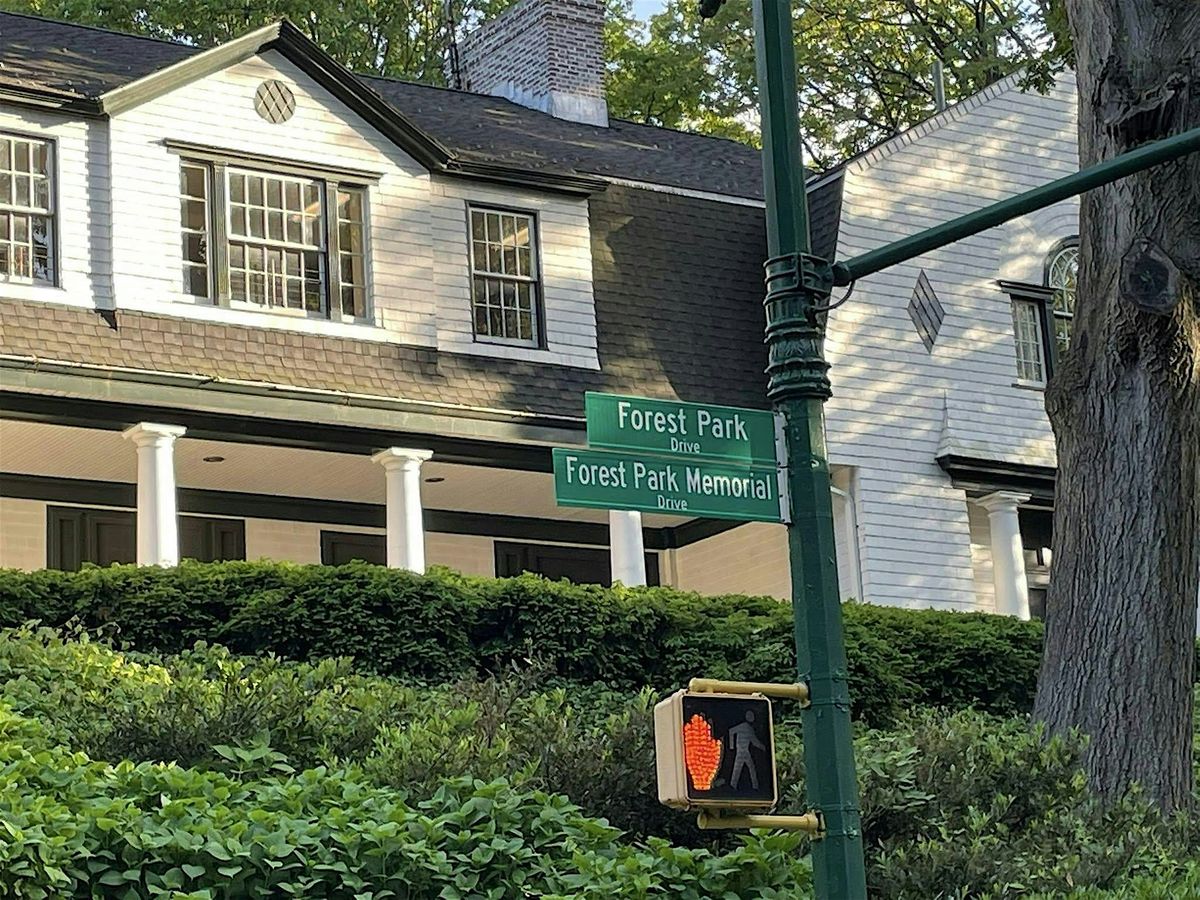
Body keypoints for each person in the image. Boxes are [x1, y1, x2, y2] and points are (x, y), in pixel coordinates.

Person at [727, 709, 765, 791]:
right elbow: (731, 731)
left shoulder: (749, 728)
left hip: (745, 751)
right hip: (741, 751)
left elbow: (754, 742)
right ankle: (735, 786)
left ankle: (753, 786)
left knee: (747, 768)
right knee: (743, 768)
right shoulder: (744, 726)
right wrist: (731, 746)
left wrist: (762, 747)